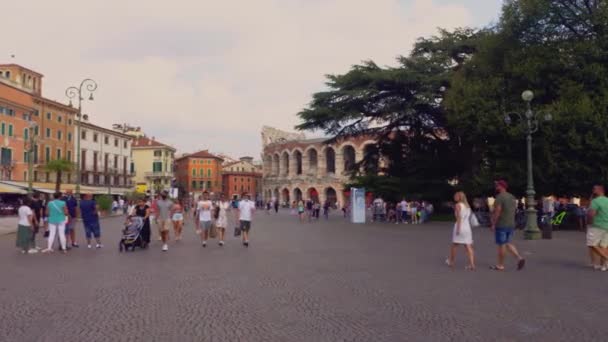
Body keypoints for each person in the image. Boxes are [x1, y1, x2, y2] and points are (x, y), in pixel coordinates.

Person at [490, 180, 525, 271]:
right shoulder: (512, 197)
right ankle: (519, 258)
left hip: (502, 224)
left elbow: (498, 211)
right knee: (507, 243)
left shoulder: (499, 197)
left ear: (501, 186)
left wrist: (493, 223)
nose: (496, 187)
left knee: (502, 245)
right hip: (511, 223)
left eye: (497, 185)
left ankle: (500, 265)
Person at [446, 192, 475, 270]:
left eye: (456, 196)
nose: (454, 197)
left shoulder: (458, 205)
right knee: (468, 245)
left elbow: (458, 218)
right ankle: (472, 264)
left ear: (460, 197)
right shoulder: (468, 206)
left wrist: (458, 229)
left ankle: (451, 261)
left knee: (455, 245)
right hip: (467, 227)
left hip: (460, 226)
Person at [586, 184, 608, 271]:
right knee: (604, 245)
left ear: (600, 190)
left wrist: (589, 223)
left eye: (595, 189)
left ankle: (605, 258)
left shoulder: (596, 201)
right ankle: (604, 265)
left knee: (591, 244)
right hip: (607, 226)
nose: (593, 190)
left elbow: (591, 214)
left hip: (597, 225)